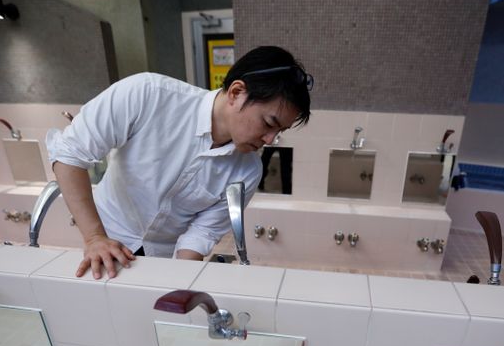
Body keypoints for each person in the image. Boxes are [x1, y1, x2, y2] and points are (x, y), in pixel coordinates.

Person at [46, 46, 312, 279]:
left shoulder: (248, 171)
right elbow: (69, 153)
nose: (270, 139)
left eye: (280, 132)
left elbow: (202, 233)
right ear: (236, 92)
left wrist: (180, 281)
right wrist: (94, 238)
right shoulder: (147, 94)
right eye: (268, 123)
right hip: (100, 239)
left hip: (162, 260)